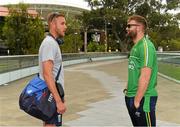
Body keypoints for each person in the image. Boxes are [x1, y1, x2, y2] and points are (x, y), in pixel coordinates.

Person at [124, 15, 158, 126]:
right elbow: (134, 70)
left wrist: (137, 101)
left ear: (138, 27)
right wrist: (127, 88)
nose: (127, 28)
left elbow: (145, 76)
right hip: (131, 96)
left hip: (143, 98)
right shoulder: (135, 47)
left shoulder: (146, 46)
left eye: (129, 26)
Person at [38, 12, 67, 126]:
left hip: (52, 94)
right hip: (51, 96)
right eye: (62, 23)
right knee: (50, 124)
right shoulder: (49, 44)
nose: (65, 27)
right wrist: (58, 101)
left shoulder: (52, 43)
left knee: (50, 123)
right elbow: (47, 74)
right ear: (53, 24)